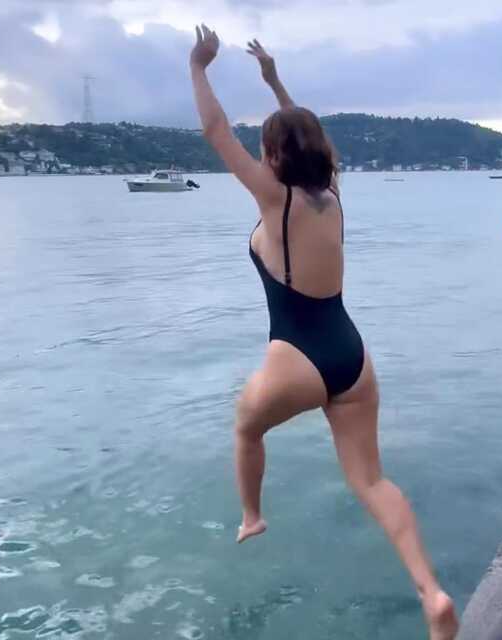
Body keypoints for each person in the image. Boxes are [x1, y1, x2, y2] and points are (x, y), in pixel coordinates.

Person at [190, 24, 459, 640]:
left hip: (297, 354)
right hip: (351, 356)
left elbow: (215, 130)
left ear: (273, 155)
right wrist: (274, 81)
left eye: (266, 148)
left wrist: (199, 67)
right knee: (372, 480)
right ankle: (431, 591)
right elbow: (315, 138)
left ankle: (252, 516)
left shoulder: (275, 199)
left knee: (246, 426)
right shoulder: (331, 192)